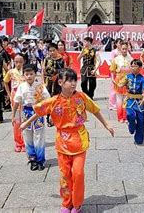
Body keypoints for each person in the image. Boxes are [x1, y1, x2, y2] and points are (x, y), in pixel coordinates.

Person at [20, 68, 114, 213]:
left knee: (77, 173)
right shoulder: (54, 101)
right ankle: (66, 203)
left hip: (79, 139)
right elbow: (39, 111)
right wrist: (26, 123)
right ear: (60, 82)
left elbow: (95, 110)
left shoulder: (81, 97)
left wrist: (106, 124)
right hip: (62, 142)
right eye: (69, 81)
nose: (72, 83)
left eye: (74, 80)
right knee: (65, 175)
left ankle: (77, 204)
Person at [14, 64, 51, 170]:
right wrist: (14, 116)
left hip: (38, 112)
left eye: (31, 74)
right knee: (27, 136)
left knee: (39, 136)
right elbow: (17, 102)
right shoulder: (21, 86)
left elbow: (48, 100)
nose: (29, 76)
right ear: (23, 75)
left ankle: (40, 160)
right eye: (26, 74)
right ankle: (32, 159)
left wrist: (49, 114)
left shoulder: (40, 86)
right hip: (26, 112)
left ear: (35, 74)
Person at [4, 53, 26, 152]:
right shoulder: (11, 72)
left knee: (25, 119)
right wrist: (9, 94)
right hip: (15, 95)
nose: (18, 64)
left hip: (25, 97)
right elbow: (5, 81)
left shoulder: (27, 72)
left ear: (24, 62)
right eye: (16, 62)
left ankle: (25, 142)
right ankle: (18, 142)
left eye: (20, 62)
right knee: (16, 120)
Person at [124, 59, 144, 144]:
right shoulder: (127, 77)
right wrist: (118, 83)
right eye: (132, 66)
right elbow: (121, 84)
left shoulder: (143, 78)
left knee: (141, 120)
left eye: (136, 66)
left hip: (139, 101)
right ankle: (131, 126)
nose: (133, 68)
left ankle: (139, 138)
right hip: (130, 100)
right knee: (130, 114)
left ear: (140, 67)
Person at [110, 41, 133, 122]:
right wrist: (113, 79)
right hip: (118, 81)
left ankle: (126, 117)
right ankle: (120, 117)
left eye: (125, 49)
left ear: (127, 49)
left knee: (126, 99)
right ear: (120, 49)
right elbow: (112, 70)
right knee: (119, 100)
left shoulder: (131, 59)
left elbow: (133, 70)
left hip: (128, 81)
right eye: (123, 49)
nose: (124, 50)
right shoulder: (116, 59)